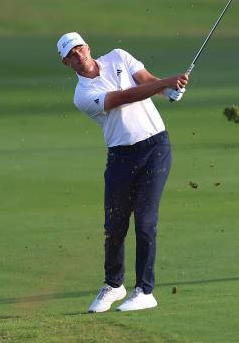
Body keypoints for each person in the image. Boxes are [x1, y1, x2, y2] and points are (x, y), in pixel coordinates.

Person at [56, 32, 188, 312]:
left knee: (145, 220)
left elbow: (147, 82)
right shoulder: (82, 95)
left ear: (87, 47)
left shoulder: (119, 56)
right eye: (71, 55)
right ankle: (114, 285)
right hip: (120, 156)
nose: (78, 55)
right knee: (114, 225)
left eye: (79, 49)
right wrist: (165, 83)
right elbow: (124, 97)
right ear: (66, 64)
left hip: (155, 148)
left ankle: (145, 291)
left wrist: (168, 90)